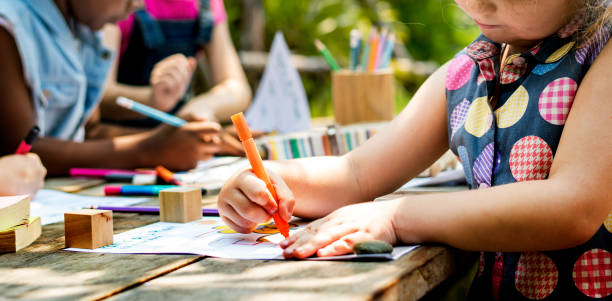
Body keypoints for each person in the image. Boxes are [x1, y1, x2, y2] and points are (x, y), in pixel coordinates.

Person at [218, 1, 612, 299]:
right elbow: (356, 173)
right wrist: (272, 180)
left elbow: (571, 204)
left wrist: (397, 216)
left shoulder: (603, 56)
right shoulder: (468, 71)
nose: (476, 3)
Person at [0, 0, 223, 176]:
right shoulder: (9, 23)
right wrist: (147, 150)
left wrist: (179, 142)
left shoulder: (80, 27)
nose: (139, 4)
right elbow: (21, 149)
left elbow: (89, 131)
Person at [99, 0, 251, 126]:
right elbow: (99, 94)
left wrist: (201, 107)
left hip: (180, 137)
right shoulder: (121, 4)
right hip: (123, 139)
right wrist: (152, 98)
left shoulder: (207, 4)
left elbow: (237, 88)